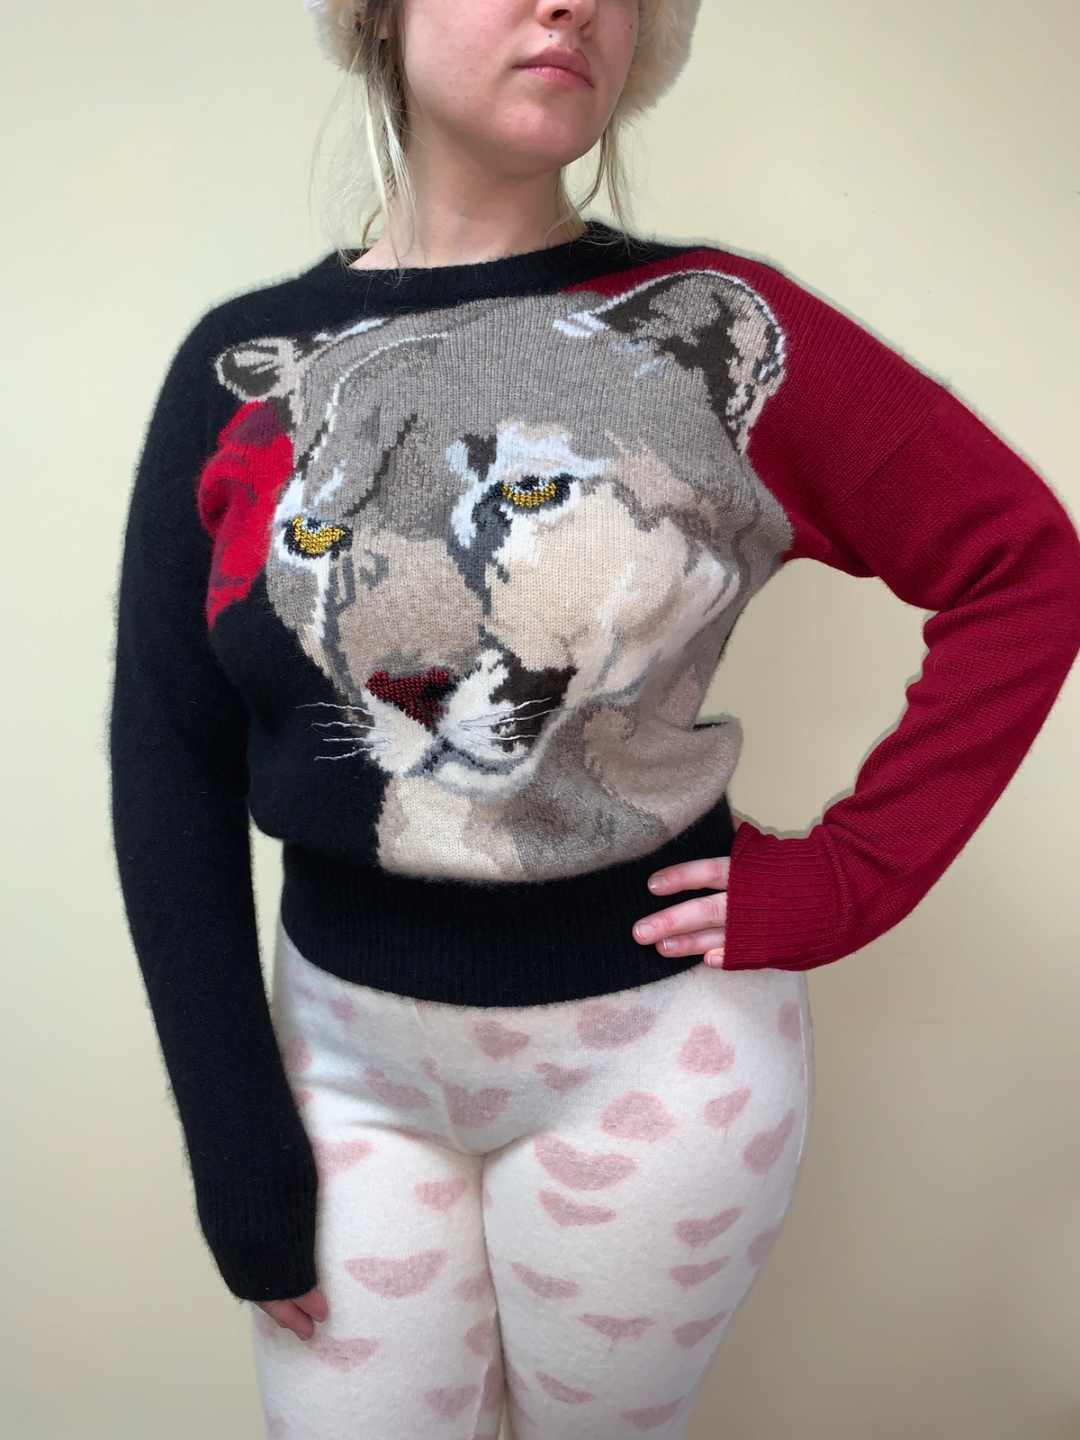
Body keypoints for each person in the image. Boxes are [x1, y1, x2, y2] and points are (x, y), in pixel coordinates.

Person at [109, 0, 1080, 1435]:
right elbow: (168, 758)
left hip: (654, 1067)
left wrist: (853, 873)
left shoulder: (707, 326)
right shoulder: (243, 359)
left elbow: (1021, 563)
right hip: (343, 1067)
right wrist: (230, 1127)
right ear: (376, 14)